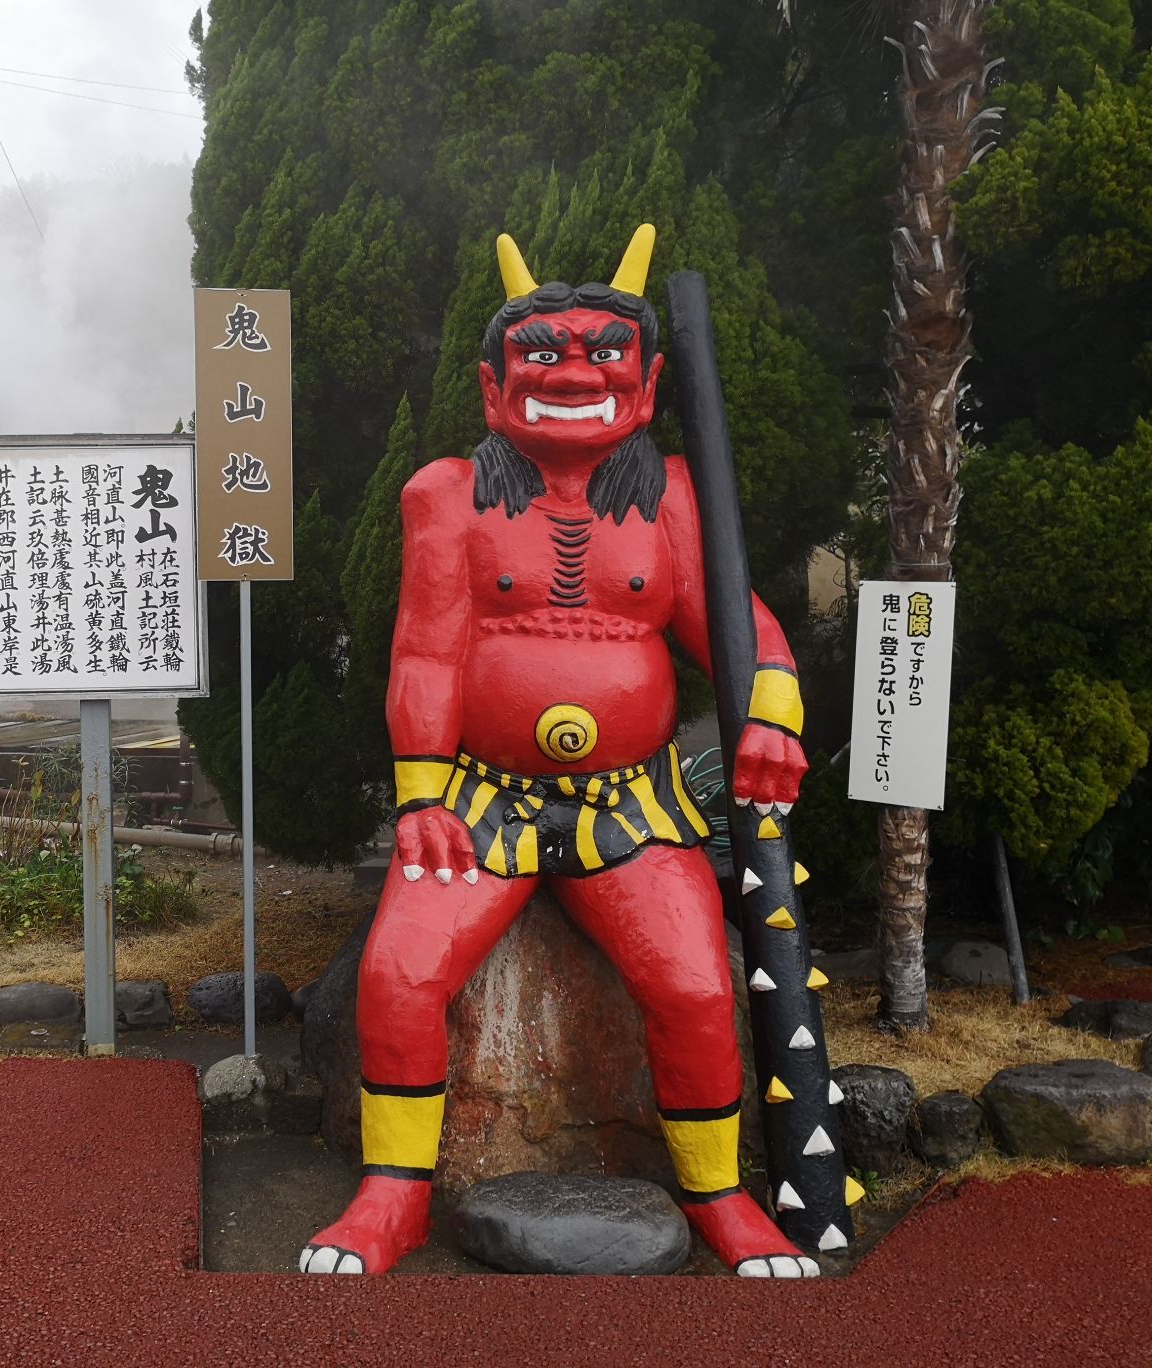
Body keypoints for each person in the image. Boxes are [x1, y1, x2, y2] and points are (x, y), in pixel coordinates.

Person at [300, 227, 817, 1278]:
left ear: (648, 378)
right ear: (494, 385)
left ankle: (718, 1197)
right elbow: (427, 653)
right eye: (540, 352)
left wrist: (773, 712)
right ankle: (392, 1191)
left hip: (629, 806)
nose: (572, 371)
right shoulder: (448, 496)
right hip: (482, 801)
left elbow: (744, 630)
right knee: (400, 971)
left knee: (695, 988)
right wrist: (420, 797)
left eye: (600, 352)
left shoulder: (672, 497)